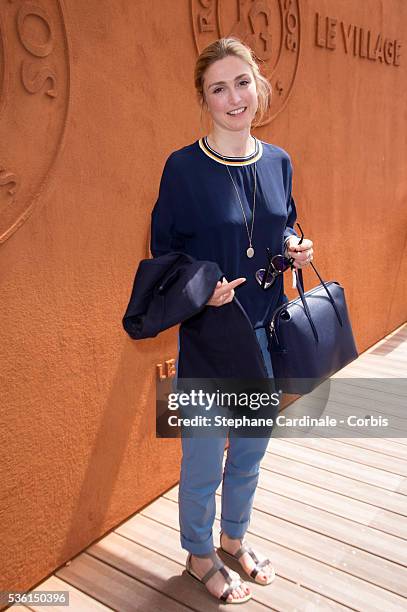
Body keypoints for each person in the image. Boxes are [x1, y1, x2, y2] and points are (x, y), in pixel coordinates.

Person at [150, 37, 313, 604]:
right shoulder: (183, 168)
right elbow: (163, 254)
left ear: (258, 86)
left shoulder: (280, 162)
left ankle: (232, 539)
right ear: (204, 99)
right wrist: (203, 290)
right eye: (218, 88)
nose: (234, 97)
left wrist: (296, 246)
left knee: (249, 449)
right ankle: (197, 554)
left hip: (264, 335)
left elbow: (283, 222)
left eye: (242, 82)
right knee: (201, 453)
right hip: (208, 337)